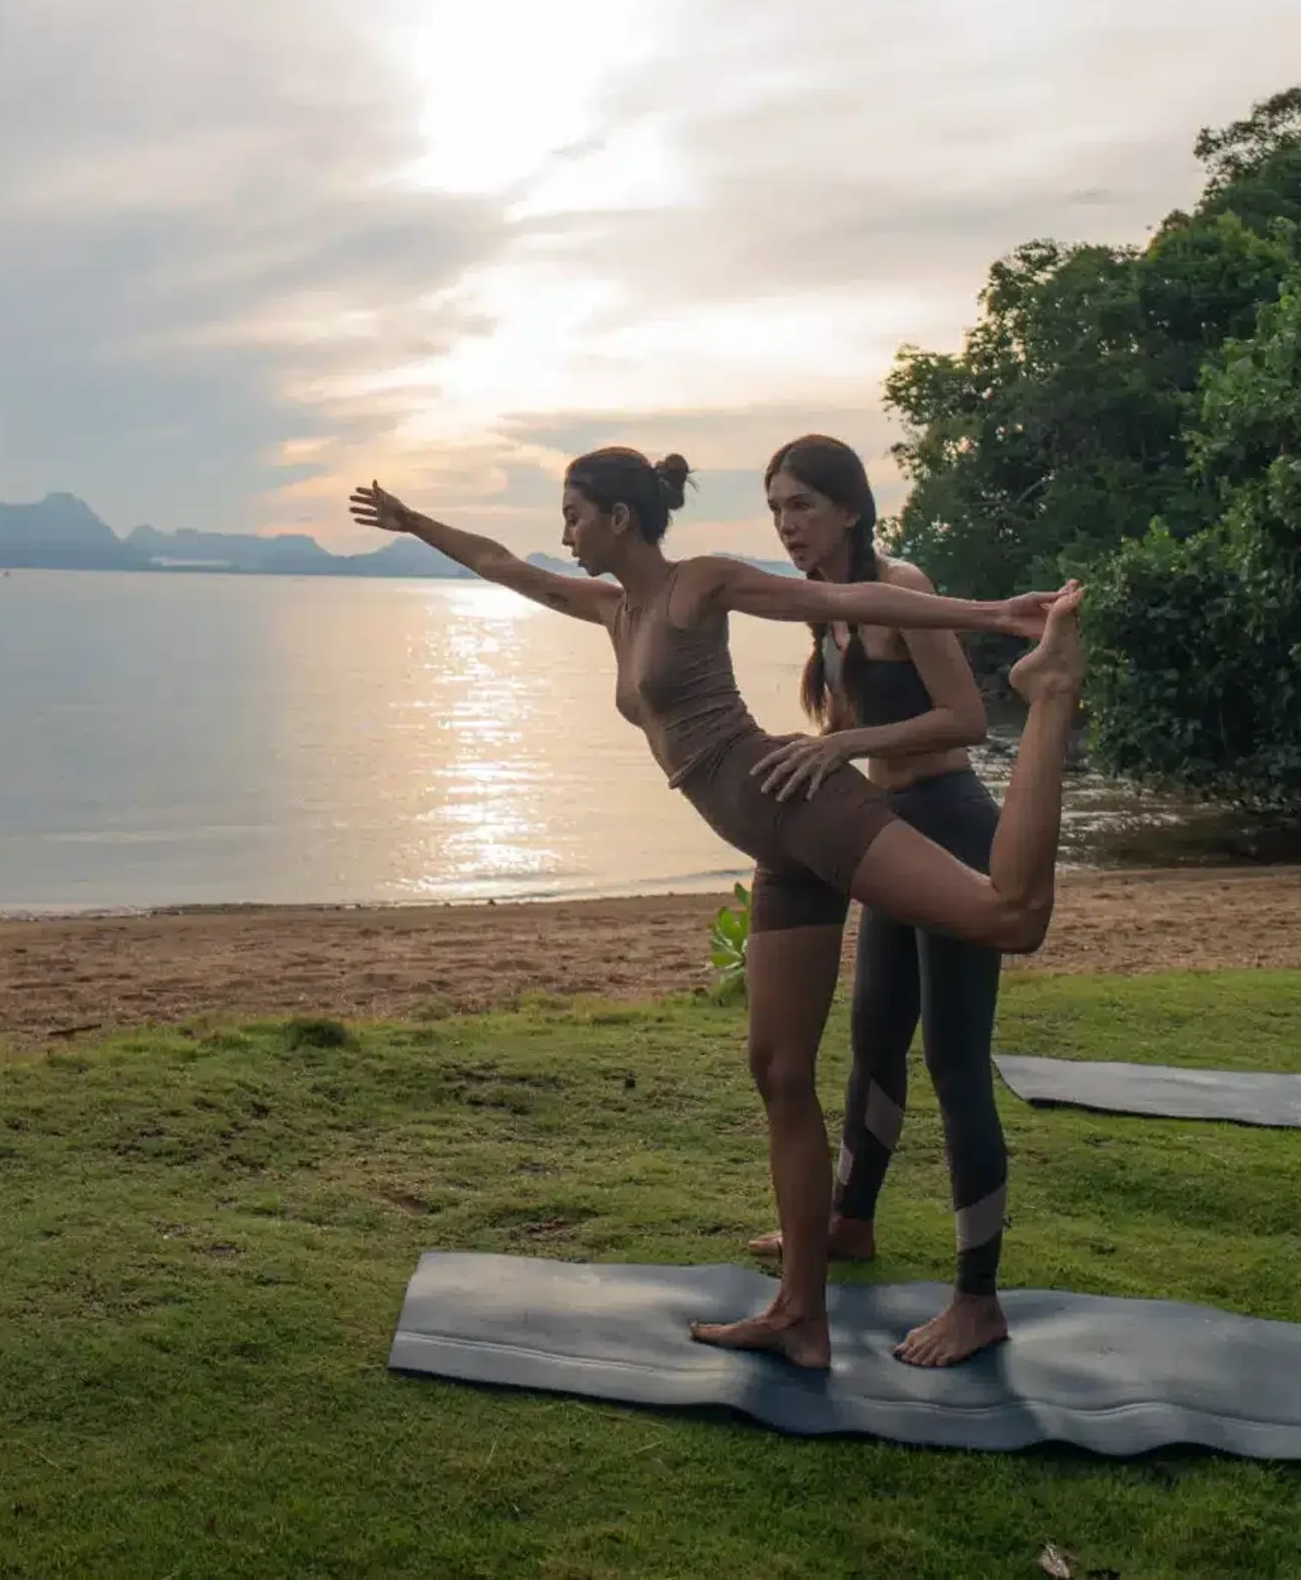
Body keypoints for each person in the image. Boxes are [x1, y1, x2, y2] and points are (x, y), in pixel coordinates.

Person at [350, 448, 1088, 1371]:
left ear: (623, 518)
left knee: (1008, 918)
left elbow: (844, 603)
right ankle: (800, 1314)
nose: (565, 531)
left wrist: (990, 616)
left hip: (802, 807)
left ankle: (1052, 693)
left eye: (576, 513)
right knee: (779, 1069)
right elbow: (501, 562)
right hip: (776, 851)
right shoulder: (610, 608)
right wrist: (416, 521)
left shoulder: (699, 585)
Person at [735, 434, 1014, 1368]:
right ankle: (851, 1221)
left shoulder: (902, 581)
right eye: (776, 508)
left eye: (802, 505)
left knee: (955, 1060)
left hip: (947, 818)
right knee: (874, 1038)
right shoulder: (827, 609)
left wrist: (841, 748)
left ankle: (978, 1299)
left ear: (851, 508)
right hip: (887, 829)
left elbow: (966, 718)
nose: (787, 525)